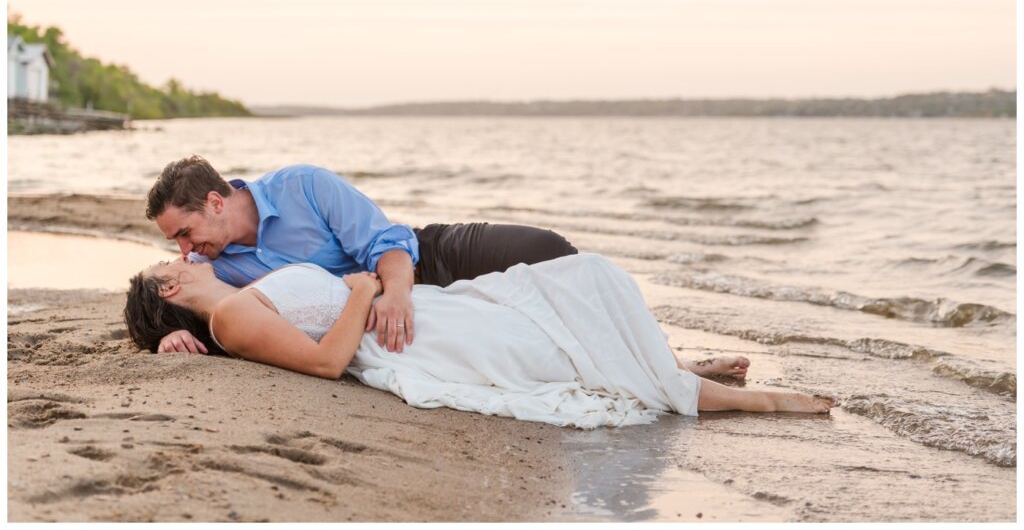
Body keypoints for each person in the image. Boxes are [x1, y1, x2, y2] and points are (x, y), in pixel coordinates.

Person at [124, 253, 833, 427]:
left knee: (573, 286)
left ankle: (671, 364)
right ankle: (754, 400)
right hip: (408, 337)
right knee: (550, 336)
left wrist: (368, 285)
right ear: (170, 291)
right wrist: (367, 289)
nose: (176, 255)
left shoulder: (239, 298)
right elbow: (326, 359)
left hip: (421, 309)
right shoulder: (227, 319)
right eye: (165, 264)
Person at [145, 156, 579, 355]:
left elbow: (385, 243)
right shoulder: (210, 265)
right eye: (176, 245)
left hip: (423, 259)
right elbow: (172, 302)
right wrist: (163, 336)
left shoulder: (303, 185)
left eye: (185, 234)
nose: (185, 251)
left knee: (551, 252)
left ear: (216, 203)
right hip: (368, 314)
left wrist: (396, 294)